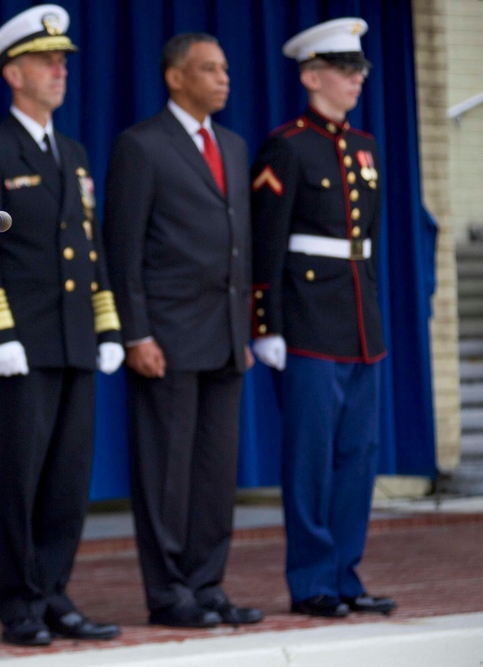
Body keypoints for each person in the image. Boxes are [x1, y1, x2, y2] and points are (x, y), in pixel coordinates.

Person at [0, 4, 125, 647]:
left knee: (68, 481)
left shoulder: (73, 152)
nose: (60, 71)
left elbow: (91, 244)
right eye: (47, 62)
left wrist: (106, 325)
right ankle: (21, 604)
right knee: (20, 479)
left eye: (64, 62)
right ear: (14, 73)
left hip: (75, 338)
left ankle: (55, 592)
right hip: (21, 342)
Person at [102, 33, 262, 629]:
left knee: (216, 472)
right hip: (165, 338)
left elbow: (238, 244)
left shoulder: (234, 145)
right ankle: (170, 593)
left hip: (224, 335)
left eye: (225, 68)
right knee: (165, 474)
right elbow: (124, 250)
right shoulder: (142, 146)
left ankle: (208, 584)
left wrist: (242, 326)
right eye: (209, 69)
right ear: (175, 77)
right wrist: (135, 333)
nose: (223, 78)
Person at [250, 17, 396, 619]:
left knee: (356, 457)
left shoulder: (364, 147)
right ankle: (312, 580)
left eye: (360, 69)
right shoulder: (287, 145)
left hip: (360, 322)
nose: (357, 79)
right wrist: (267, 324)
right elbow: (268, 242)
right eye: (345, 69)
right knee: (309, 459)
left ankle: (345, 574)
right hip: (307, 323)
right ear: (312, 75)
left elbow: (371, 239)